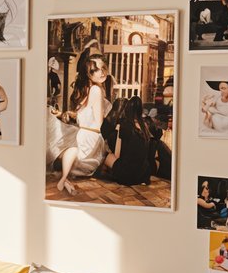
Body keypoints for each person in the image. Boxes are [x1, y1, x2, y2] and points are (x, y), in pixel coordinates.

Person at [46, 48, 109, 196]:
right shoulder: (95, 90)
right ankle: (64, 178)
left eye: (103, 68)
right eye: (96, 70)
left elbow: (91, 119)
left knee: (70, 151)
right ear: (88, 74)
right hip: (89, 137)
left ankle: (64, 177)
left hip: (88, 138)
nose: (101, 72)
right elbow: (97, 121)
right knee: (71, 150)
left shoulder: (92, 90)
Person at [103, 95, 152, 186]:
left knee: (107, 156)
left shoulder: (124, 124)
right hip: (142, 174)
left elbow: (117, 154)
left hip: (127, 176)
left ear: (127, 109)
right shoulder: (145, 126)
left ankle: (113, 175)